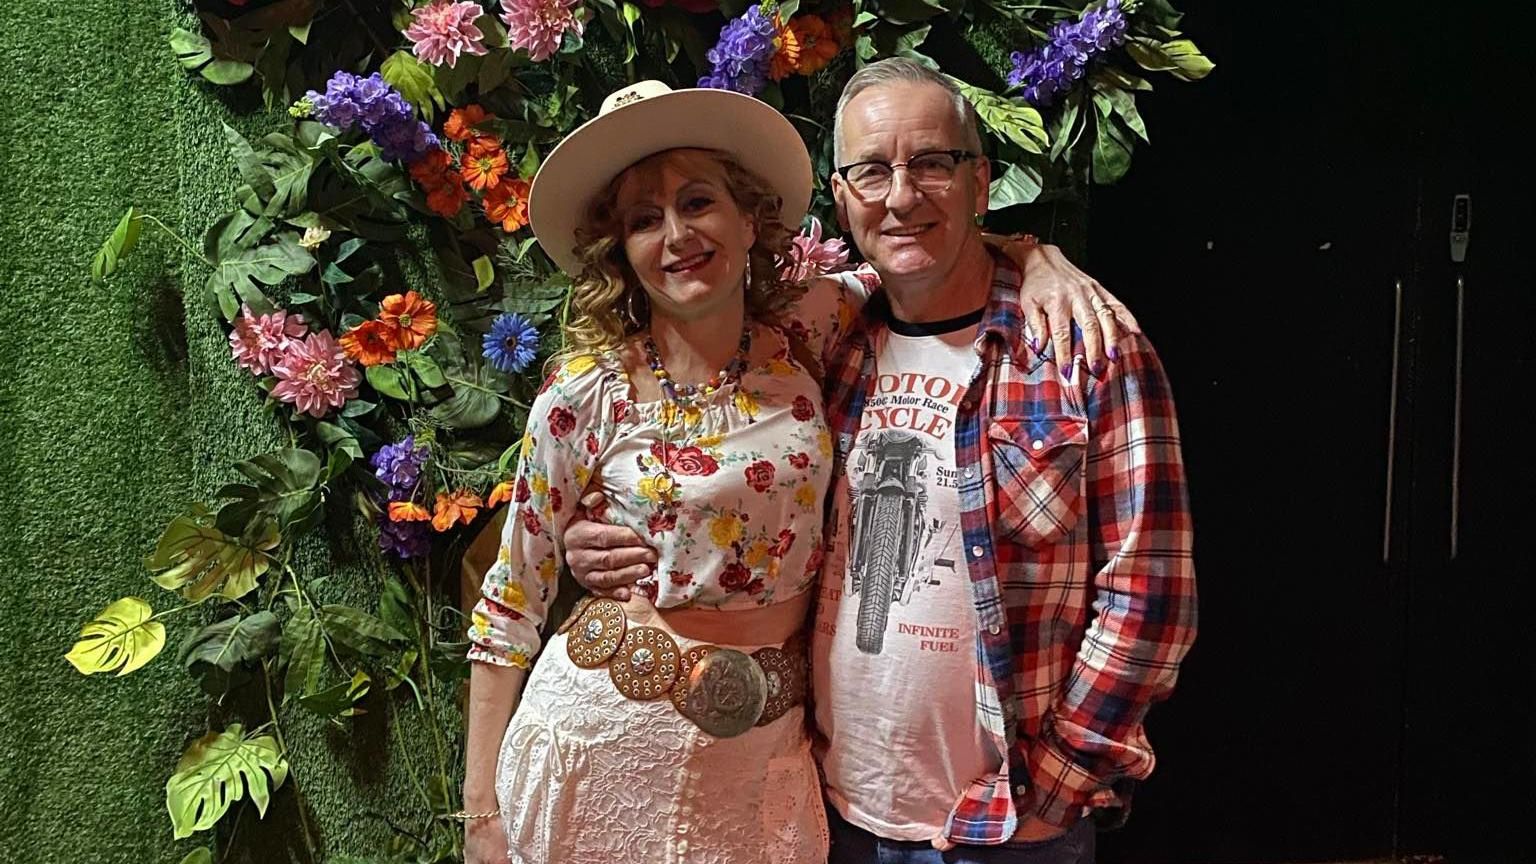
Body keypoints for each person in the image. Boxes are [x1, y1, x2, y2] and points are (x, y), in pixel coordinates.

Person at [460, 78, 1119, 864]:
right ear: (621, 252)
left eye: (698, 202)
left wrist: (1036, 255)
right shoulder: (580, 394)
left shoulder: (814, 325)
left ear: (747, 219)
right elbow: (507, 611)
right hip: (604, 735)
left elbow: (929, 250)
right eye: (644, 219)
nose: (676, 235)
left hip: (762, 750)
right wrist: (481, 820)